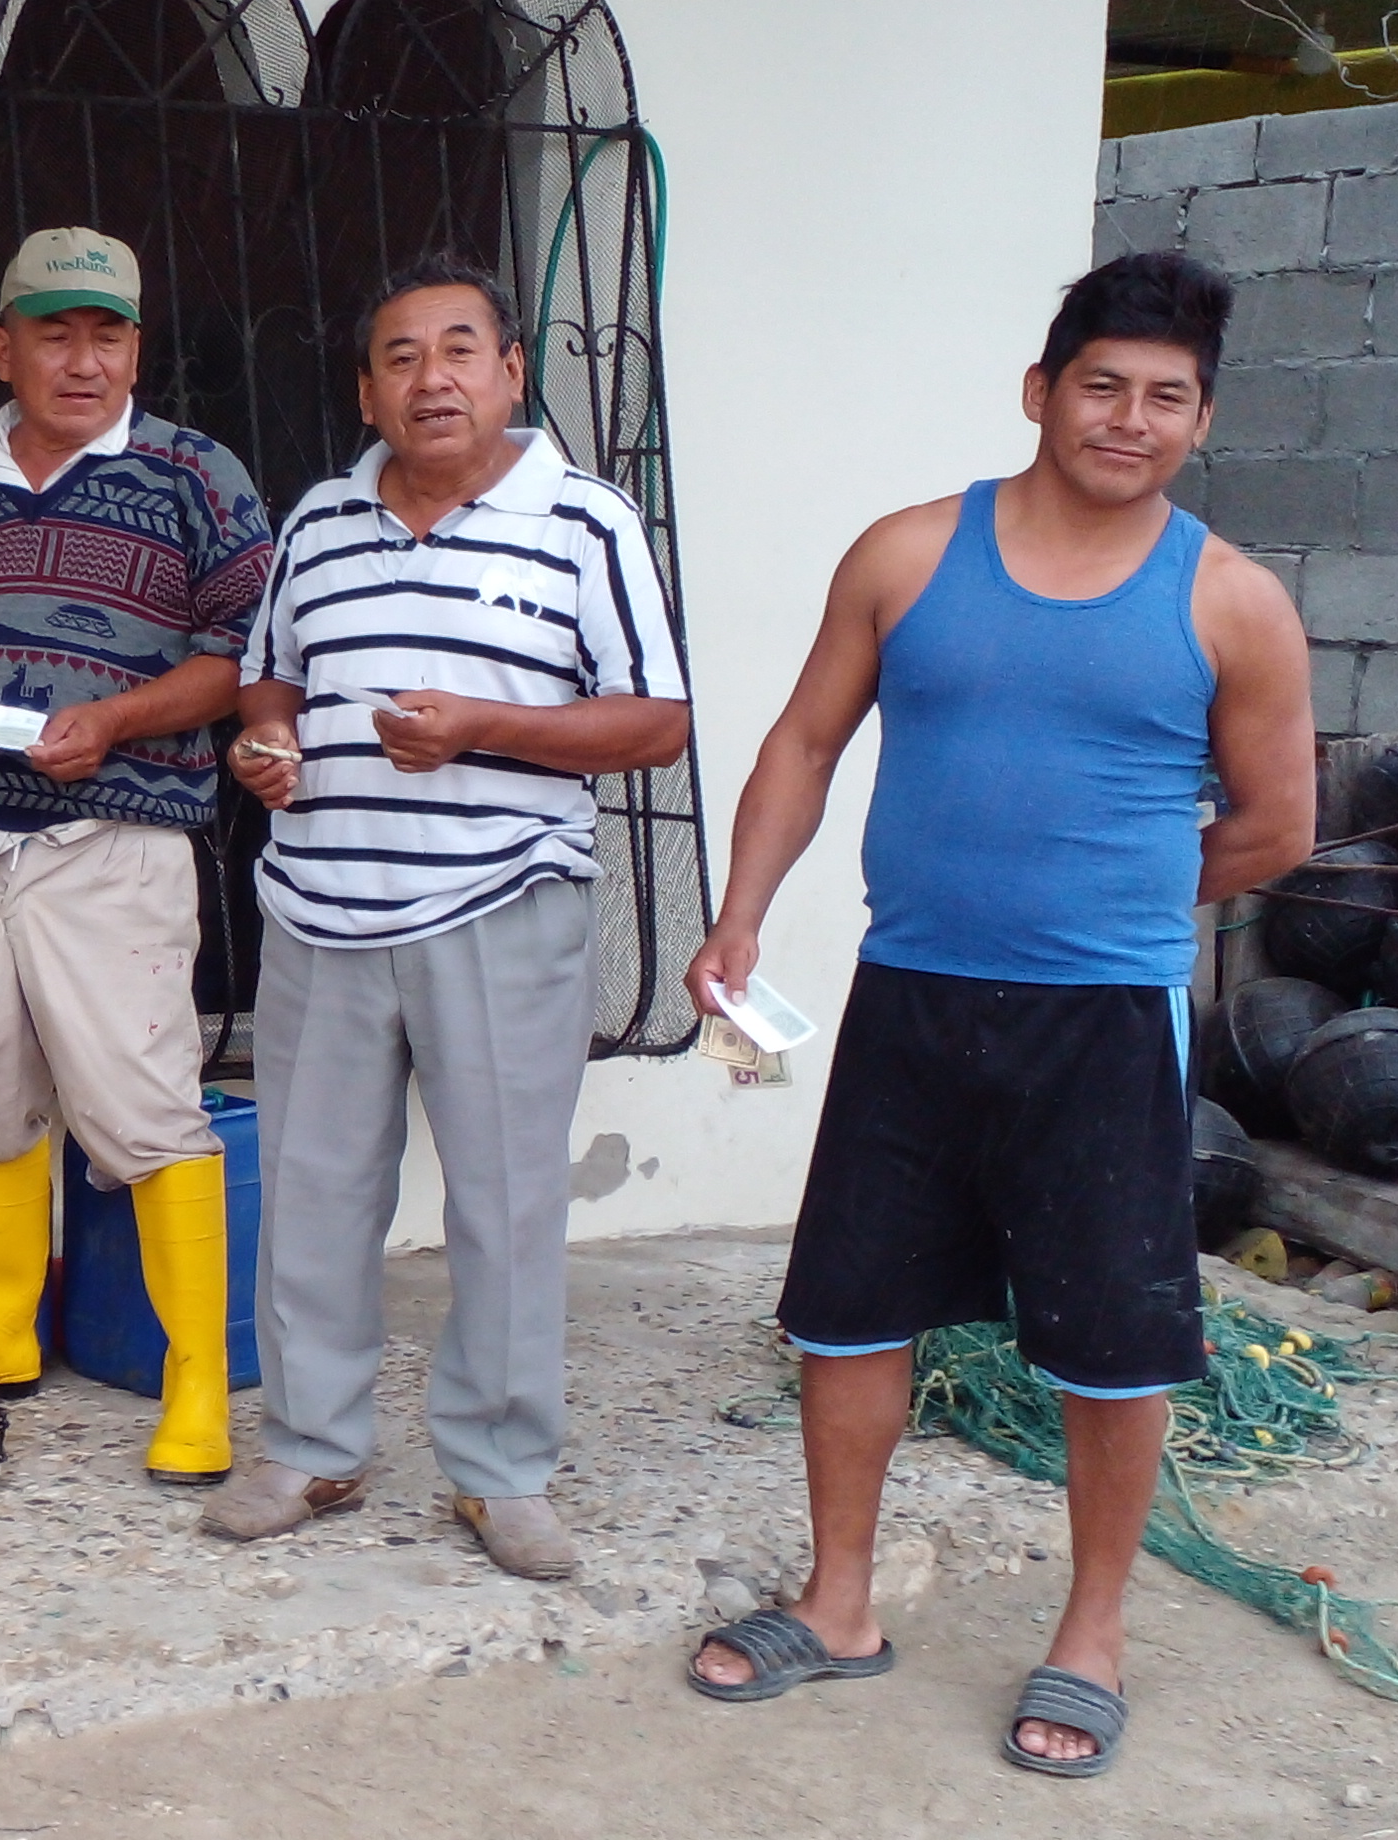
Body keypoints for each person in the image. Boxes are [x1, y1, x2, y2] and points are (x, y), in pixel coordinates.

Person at [675, 250, 1313, 1778]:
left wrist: (1125, 888)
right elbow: (804, 743)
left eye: (1166, 398)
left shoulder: (1232, 601)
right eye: (1103, 386)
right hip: (912, 996)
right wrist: (743, 911)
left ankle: (1091, 1636)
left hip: (1106, 1023)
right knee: (847, 1309)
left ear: (1203, 421)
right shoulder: (907, 556)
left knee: (1113, 1341)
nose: (1130, 419)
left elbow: (1278, 826)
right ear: (1040, 391)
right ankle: (838, 1604)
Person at [204, 254, 692, 1573]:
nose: (434, 379)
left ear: (511, 373)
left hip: (502, 900)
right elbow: (268, 680)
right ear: (367, 391)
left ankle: (500, 1468)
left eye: (460, 350)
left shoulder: (584, 520)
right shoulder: (316, 523)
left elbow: (655, 721)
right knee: (312, 1196)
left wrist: (483, 727)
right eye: (402, 356)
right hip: (321, 907)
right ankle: (312, 1445)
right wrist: (268, 746)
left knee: (505, 1203)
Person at [0, 227, 274, 1484]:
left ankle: (196, 1380)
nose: (83, 361)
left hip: (113, 838)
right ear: (3, 347)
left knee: (144, 1106)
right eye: (55, 333)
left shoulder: (194, 472)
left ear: (135, 346)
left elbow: (248, 647)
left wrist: (119, 719)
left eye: (107, 335)